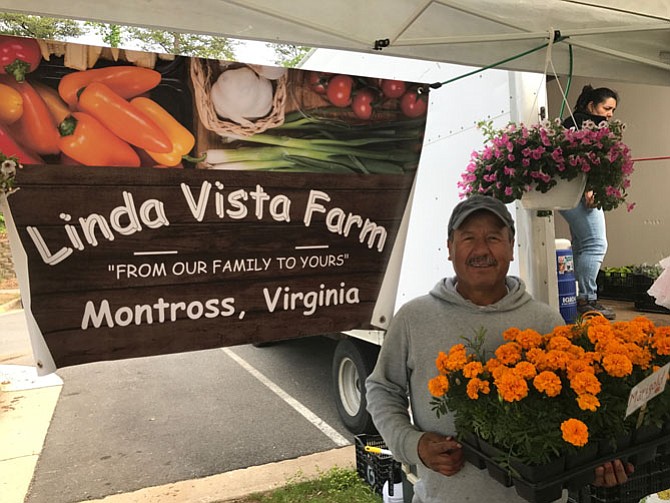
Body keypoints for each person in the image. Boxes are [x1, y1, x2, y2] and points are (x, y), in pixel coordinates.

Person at [365, 194, 633, 503]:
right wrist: (414, 444)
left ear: (510, 246)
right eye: (468, 238)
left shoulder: (545, 321)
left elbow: (577, 410)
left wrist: (599, 460)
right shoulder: (413, 318)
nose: (481, 250)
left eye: (493, 237)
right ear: (450, 248)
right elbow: (382, 389)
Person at [560, 85, 619, 320]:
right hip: (581, 192)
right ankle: (587, 300)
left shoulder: (571, 122)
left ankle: (573, 297)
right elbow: (588, 160)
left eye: (613, 110)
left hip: (566, 194)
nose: (610, 114)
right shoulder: (587, 124)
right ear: (591, 105)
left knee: (582, 246)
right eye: (606, 108)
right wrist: (592, 186)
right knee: (595, 244)